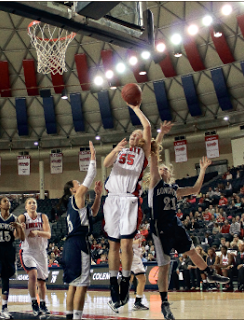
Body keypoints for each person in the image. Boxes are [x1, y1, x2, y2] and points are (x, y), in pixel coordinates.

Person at [144, 121, 230, 320]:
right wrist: (162, 134)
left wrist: (202, 170)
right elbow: (153, 154)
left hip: (175, 224)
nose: (163, 169)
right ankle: (164, 302)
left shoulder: (174, 189)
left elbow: (195, 190)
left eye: (166, 168)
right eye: (162, 167)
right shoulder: (155, 183)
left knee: (192, 251)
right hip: (160, 226)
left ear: (170, 173)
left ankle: (208, 273)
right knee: (165, 266)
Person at [102, 100, 152, 312]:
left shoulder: (143, 154)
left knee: (125, 245)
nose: (134, 136)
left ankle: (125, 281)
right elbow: (105, 164)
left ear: (142, 141)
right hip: (112, 199)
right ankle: (113, 284)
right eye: (132, 134)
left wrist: (136, 109)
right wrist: (116, 149)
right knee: (113, 245)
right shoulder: (121, 152)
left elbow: (148, 127)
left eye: (137, 135)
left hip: (129, 199)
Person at [58, 141, 102, 320]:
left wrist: (98, 196)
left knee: (73, 285)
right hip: (78, 243)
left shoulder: (74, 205)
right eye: (77, 183)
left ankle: (70, 317)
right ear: (72, 189)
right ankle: (77, 317)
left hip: (70, 245)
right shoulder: (76, 197)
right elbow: (90, 177)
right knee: (82, 285)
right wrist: (92, 158)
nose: (80, 184)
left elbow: (93, 213)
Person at [18, 198, 51, 317]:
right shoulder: (23, 217)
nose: (32, 205)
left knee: (42, 283)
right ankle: (34, 303)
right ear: (26, 207)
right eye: (29, 203)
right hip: (27, 251)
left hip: (41, 252)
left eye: (34, 203)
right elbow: (18, 236)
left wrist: (37, 232)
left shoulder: (43, 217)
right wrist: (20, 229)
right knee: (33, 275)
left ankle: (43, 304)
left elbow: (48, 234)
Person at [130, 231, 149, 311]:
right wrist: (136, 242)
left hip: (136, 255)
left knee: (129, 278)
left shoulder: (137, 230)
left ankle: (116, 298)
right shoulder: (128, 227)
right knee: (142, 279)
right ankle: (137, 302)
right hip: (133, 256)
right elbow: (124, 243)